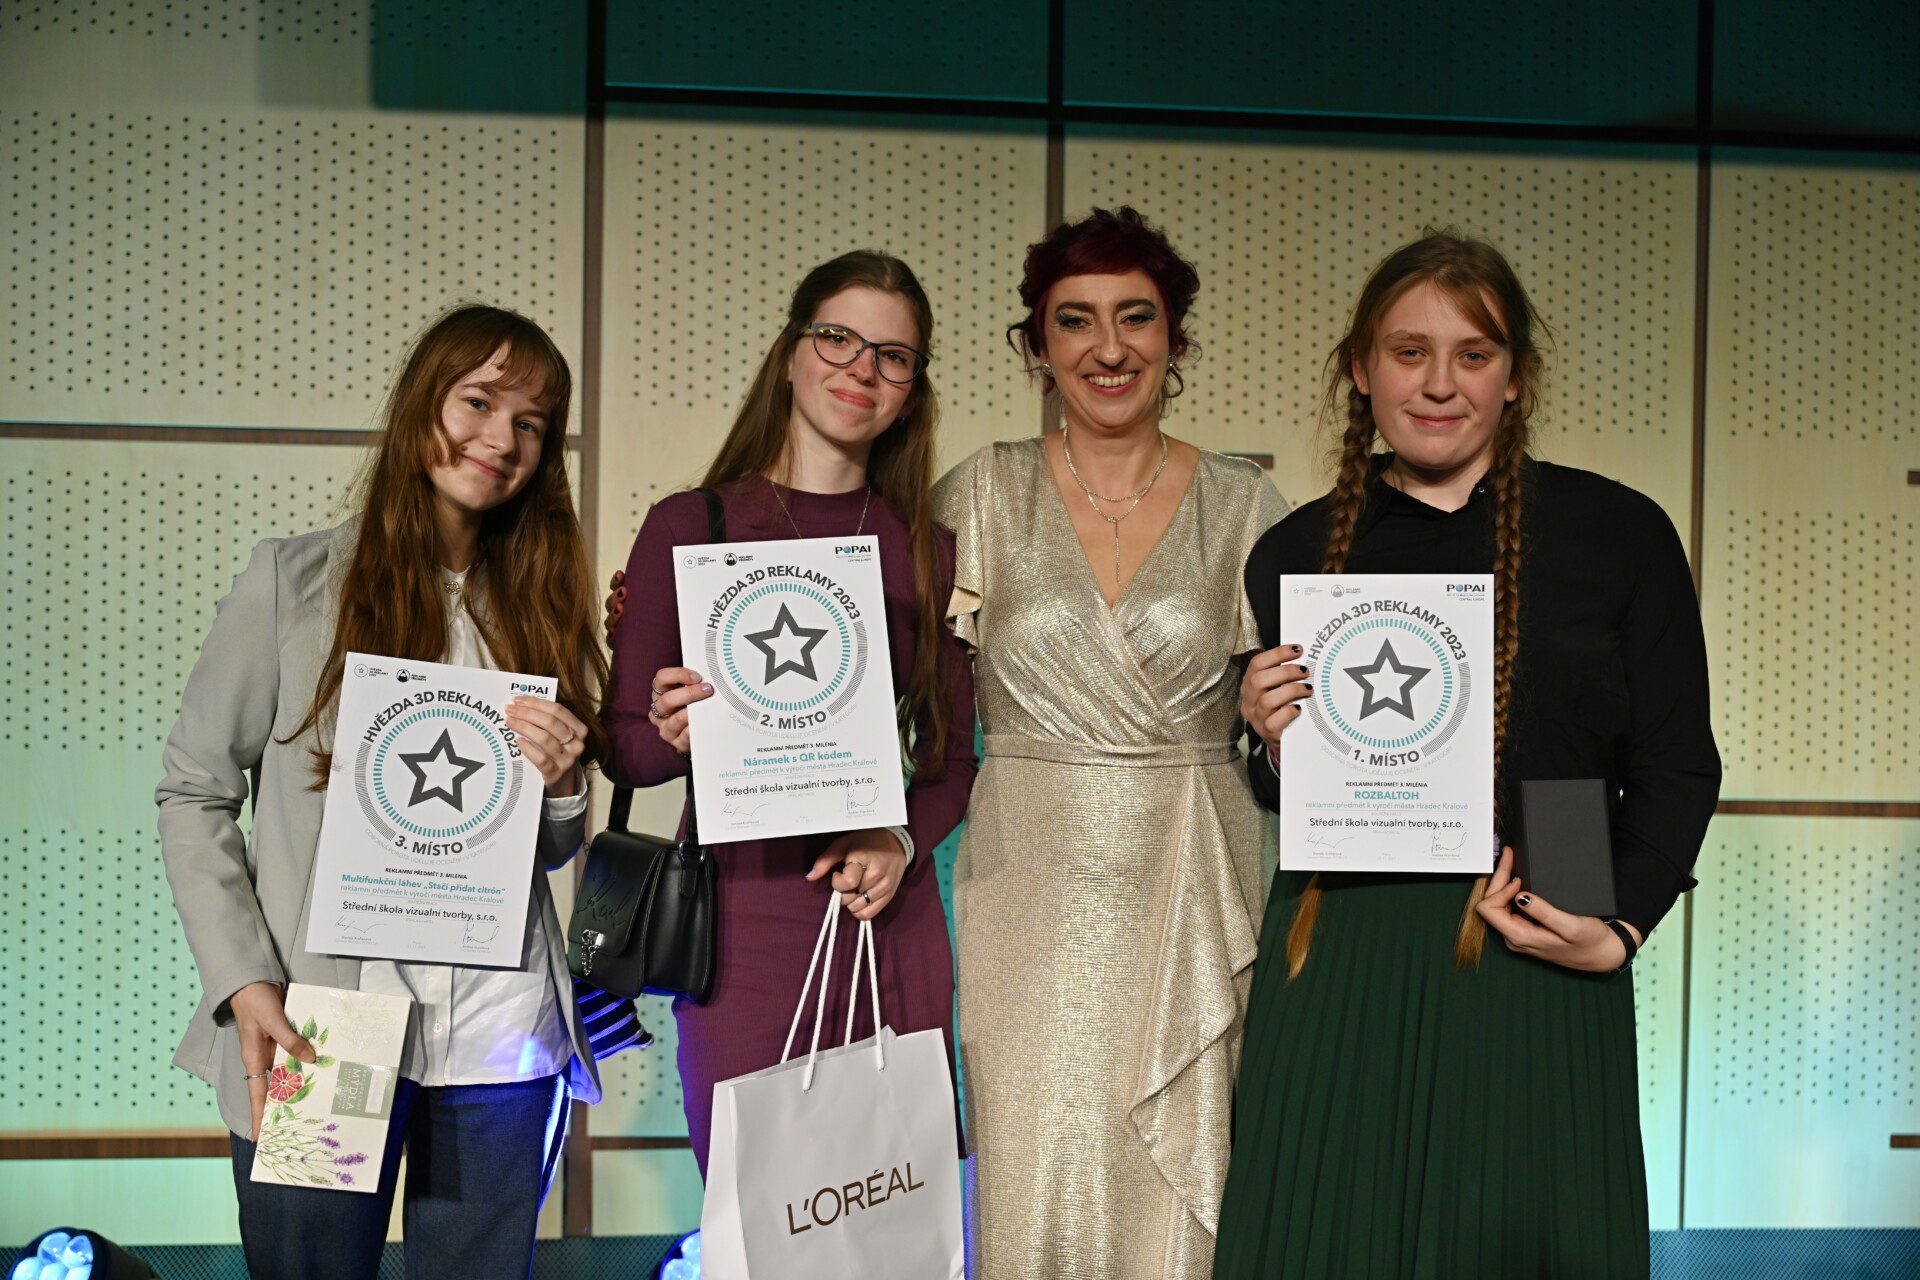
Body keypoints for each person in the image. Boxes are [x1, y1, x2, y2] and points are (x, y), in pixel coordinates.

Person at [1216, 231, 1722, 1279]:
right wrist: (1268, 738)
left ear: (1515, 375)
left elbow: (1676, 763)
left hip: (1547, 914)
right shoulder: (1295, 549)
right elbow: (1283, 784)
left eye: (1473, 354)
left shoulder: (1620, 532)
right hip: (1340, 938)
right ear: (1363, 370)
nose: (1439, 383)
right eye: (1410, 352)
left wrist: (1619, 924)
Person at [157, 306, 609, 1278]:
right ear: (421, 405)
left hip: (499, 1033)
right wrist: (245, 980)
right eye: (478, 402)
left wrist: (566, 785)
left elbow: (548, 847)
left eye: (531, 423)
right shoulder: (295, 582)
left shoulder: (543, 600)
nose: (502, 439)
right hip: (325, 1026)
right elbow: (194, 790)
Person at [931, 207, 1288, 1279]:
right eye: (1075, 320)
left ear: (1176, 339)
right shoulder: (980, 491)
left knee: (1191, 1172)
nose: (1109, 346)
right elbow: (901, 689)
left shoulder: (1247, 502)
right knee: (1032, 1162)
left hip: (1195, 864)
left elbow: (1295, 725)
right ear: (1036, 346)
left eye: (1136, 316)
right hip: (1025, 886)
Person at [602, 250, 977, 1173]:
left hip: (883, 920)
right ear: (790, 353)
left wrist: (898, 841)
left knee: (894, 1220)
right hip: (739, 923)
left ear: (912, 392)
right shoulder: (689, 526)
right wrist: (673, 730)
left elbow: (957, 758)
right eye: (839, 338)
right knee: (755, 1215)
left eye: (894, 357)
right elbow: (627, 752)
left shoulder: (930, 551)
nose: (862, 369)